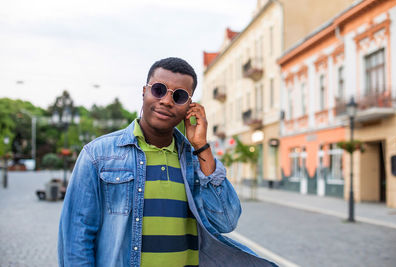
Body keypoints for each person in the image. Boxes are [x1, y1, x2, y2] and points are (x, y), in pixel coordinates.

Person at [58, 57, 277, 267]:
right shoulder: (98, 154)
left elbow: (226, 221)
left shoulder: (196, 160)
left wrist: (201, 145)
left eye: (179, 96)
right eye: (158, 90)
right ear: (144, 91)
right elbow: (76, 238)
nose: (166, 101)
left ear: (190, 106)